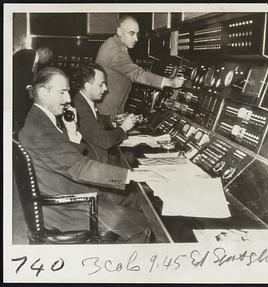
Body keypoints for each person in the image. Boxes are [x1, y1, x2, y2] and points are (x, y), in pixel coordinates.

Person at [18, 67, 165, 243]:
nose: (68, 99)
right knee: (141, 224)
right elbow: (79, 167)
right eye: (62, 93)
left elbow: (64, 158)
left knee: (132, 199)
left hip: (71, 191)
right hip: (67, 208)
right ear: (43, 92)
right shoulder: (41, 130)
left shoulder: (40, 119)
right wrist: (130, 175)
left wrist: (72, 133)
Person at [95, 16, 185, 115]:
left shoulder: (114, 43)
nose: (136, 38)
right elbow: (138, 74)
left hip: (110, 106)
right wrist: (170, 82)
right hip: (107, 110)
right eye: (131, 34)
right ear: (119, 31)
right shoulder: (115, 51)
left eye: (137, 34)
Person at [73, 63, 136, 166]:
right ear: (87, 85)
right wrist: (124, 128)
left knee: (129, 157)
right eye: (101, 84)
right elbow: (104, 141)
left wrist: (114, 119)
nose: (105, 89)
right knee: (132, 160)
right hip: (95, 163)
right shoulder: (81, 108)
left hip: (97, 158)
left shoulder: (83, 101)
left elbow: (95, 122)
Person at [13, 46, 53, 130]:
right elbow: (23, 73)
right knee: (22, 110)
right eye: (48, 58)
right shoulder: (28, 55)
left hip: (17, 88)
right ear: (44, 53)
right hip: (15, 88)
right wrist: (29, 88)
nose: (48, 61)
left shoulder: (31, 56)